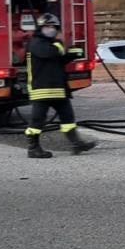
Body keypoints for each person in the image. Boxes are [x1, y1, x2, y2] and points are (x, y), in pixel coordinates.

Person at [25, 13, 96, 158]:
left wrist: (73, 54)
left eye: (53, 27)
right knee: (37, 121)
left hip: (58, 89)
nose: (50, 29)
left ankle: (77, 144)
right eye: (47, 26)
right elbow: (48, 53)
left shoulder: (52, 45)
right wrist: (60, 45)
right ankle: (33, 149)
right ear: (40, 28)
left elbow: (58, 60)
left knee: (68, 118)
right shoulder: (35, 43)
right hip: (42, 90)